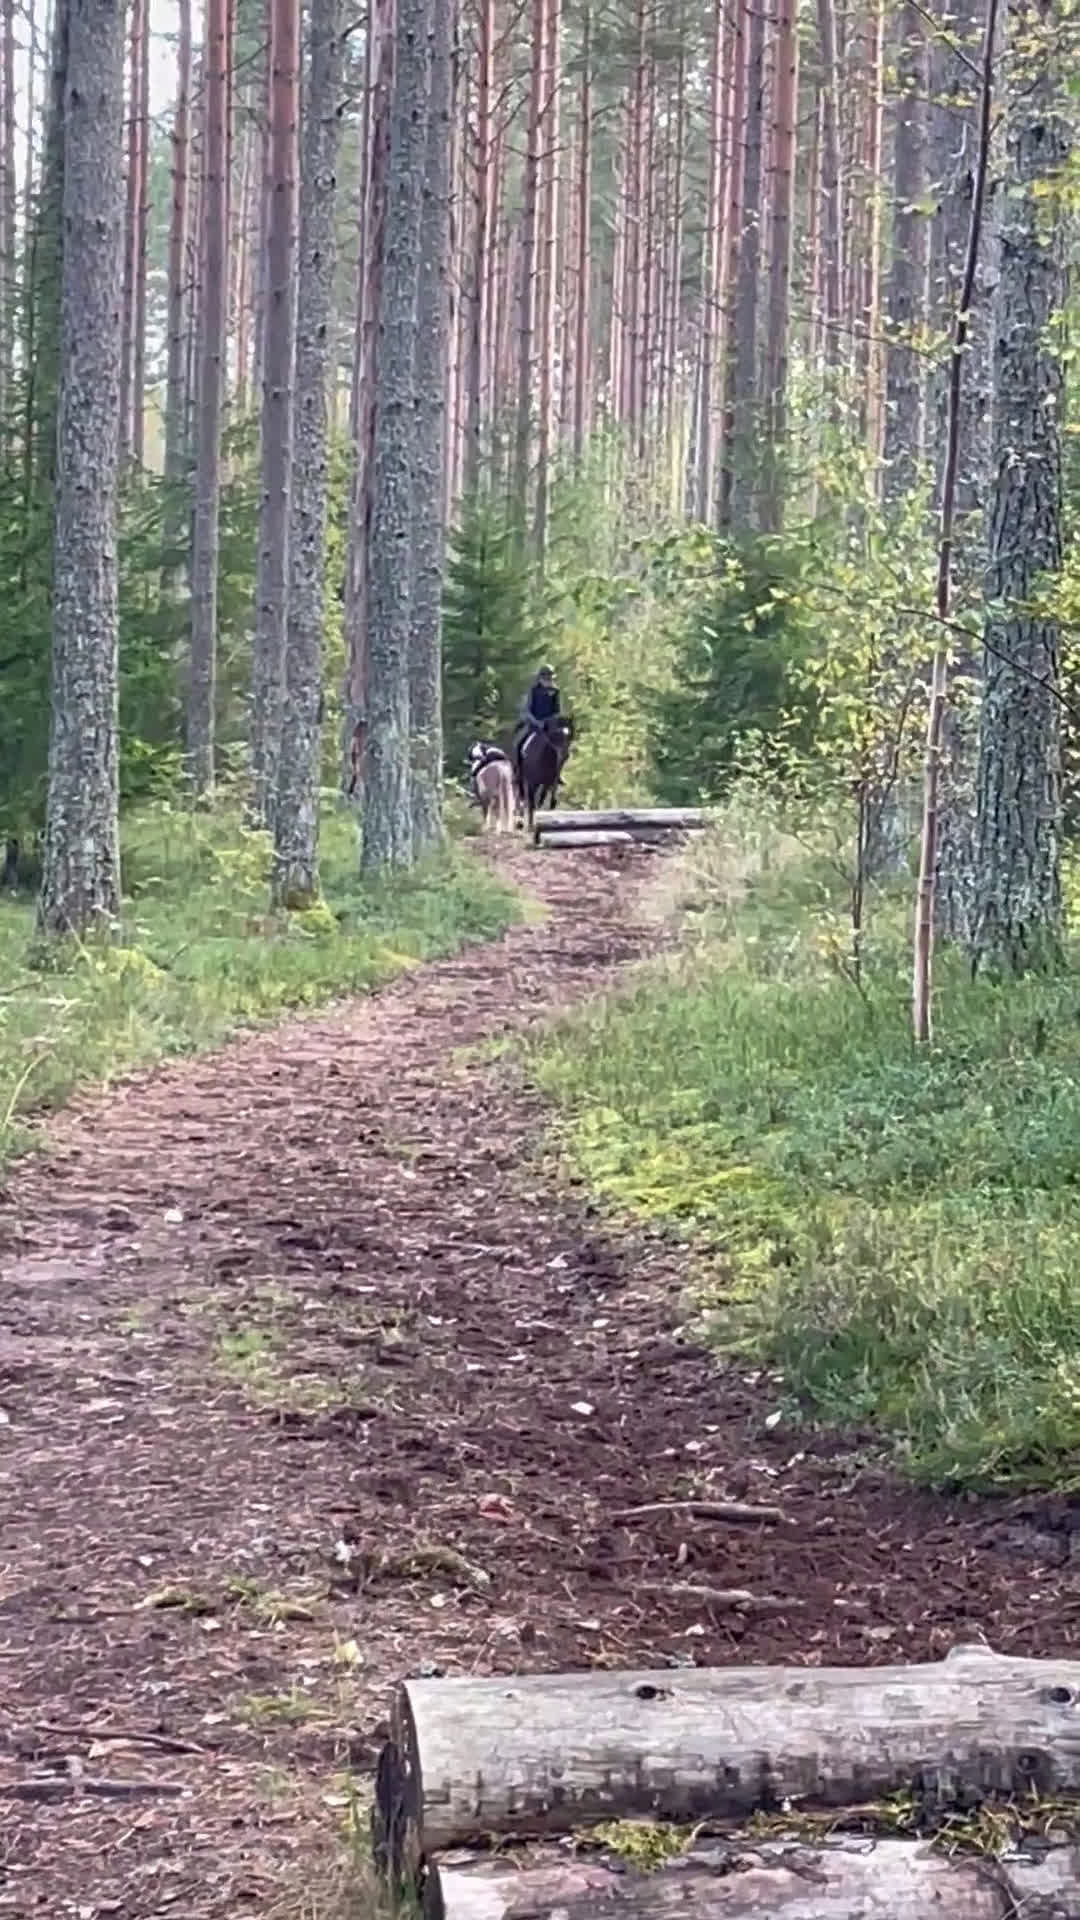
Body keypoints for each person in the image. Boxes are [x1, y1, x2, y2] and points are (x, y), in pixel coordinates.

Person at [512, 666, 560, 786]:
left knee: (560, 747)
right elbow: (528, 710)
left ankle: (557, 774)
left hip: (549, 726)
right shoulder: (533, 691)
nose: (549, 680)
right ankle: (518, 773)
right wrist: (537, 722)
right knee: (518, 744)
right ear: (541, 678)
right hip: (534, 725)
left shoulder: (555, 691)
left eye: (550, 678)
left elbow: (557, 711)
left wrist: (550, 721)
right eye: (546, 678)